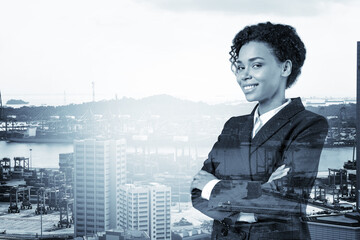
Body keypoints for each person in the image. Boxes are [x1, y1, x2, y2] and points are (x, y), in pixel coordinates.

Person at [191, 22, 328, 239]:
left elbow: (284, 198)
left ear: (285, 68)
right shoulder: (233, 125)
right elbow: (197, 192)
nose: (244, 75)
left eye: (256, 65)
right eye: (240, 66)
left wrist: (215, 187)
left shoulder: (308, 125)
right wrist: (260, 190)